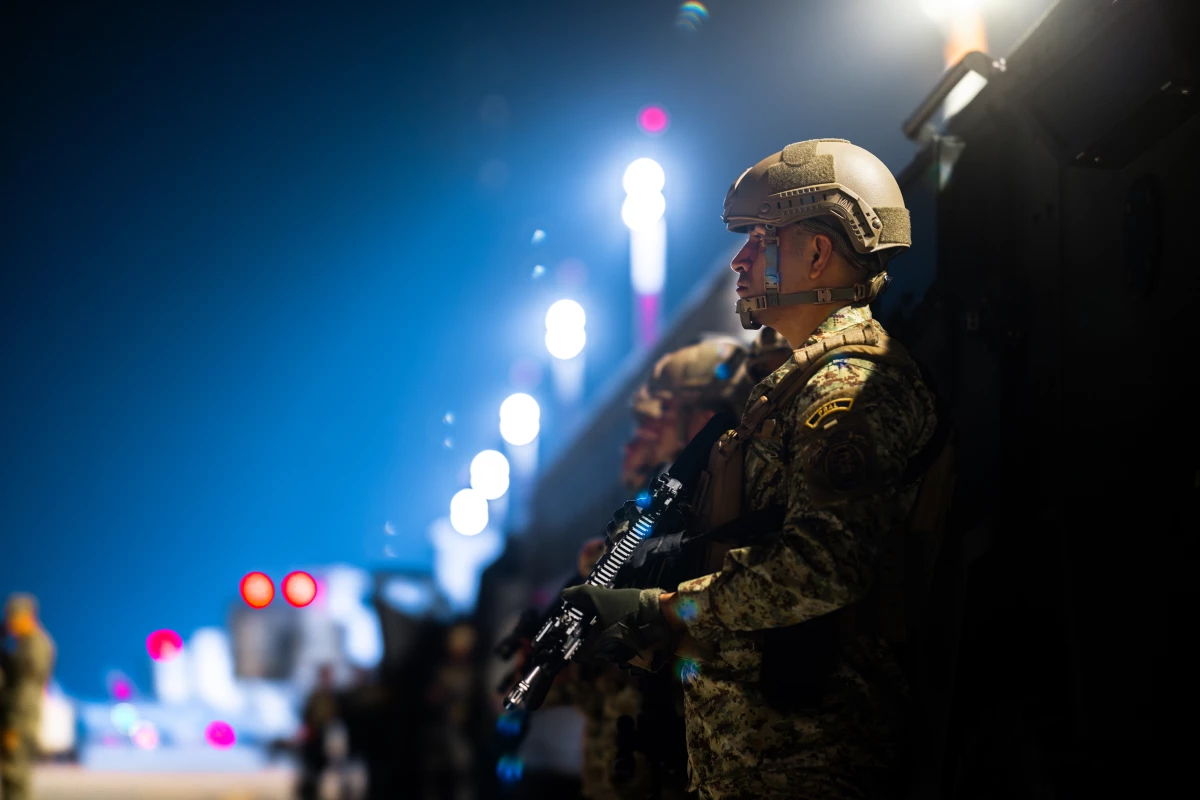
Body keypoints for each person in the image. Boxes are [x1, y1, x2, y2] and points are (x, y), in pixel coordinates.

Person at [564, 138, 941, 799]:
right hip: (757, 762)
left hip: (808, 760)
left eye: (761, 237)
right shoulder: (793, 390)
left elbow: (823, 565)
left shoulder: (846, 390)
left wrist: (665, 608)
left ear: (818, 252)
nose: (740, 259)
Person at [568, 335, 762, 800]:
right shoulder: (686, 488)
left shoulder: (728, 477)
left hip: (737, 722)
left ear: (696, 410)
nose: (647, 436)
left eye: (660, 415)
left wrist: (652, 603)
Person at [1, 593, 56, 800]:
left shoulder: (34, 645)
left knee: (14, 775)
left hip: (20, 721)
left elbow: (23, 691)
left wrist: (13, 726)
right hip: (19, 718)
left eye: (13, 617)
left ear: (27, 616)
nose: (10, 622)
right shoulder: (23, 643)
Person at [298, 664, 340, 800]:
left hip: (332, 743)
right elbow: (307, 719)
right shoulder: (314, 697)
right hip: (315, 742)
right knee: (314, 777)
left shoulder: (337, 697)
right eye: (324, 676)